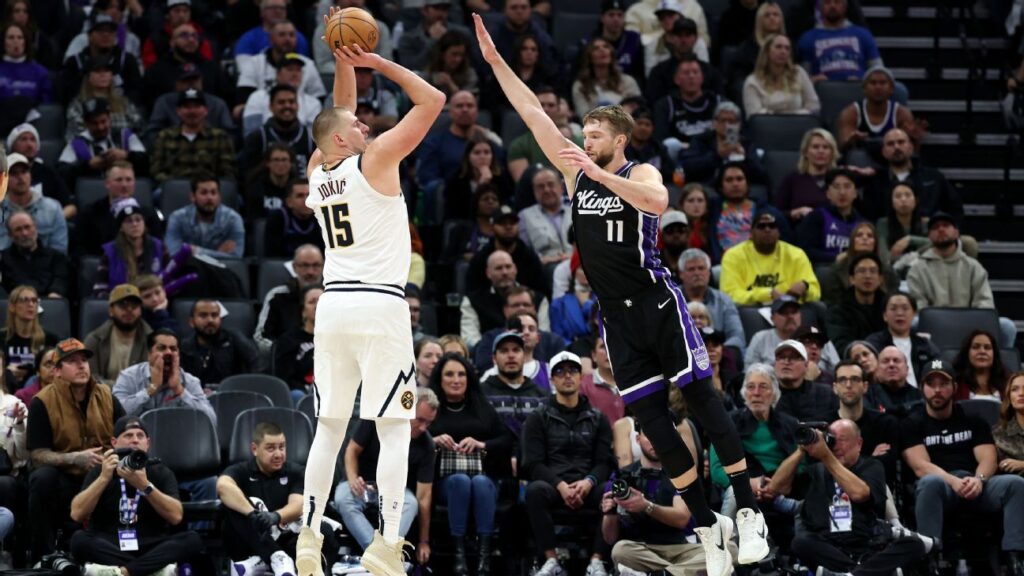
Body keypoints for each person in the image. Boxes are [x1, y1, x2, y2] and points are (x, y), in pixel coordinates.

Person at [476, 16, 771, 576]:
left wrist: (599, 173)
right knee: (655, 427)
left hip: (659, 301)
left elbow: (656, 204)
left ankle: (750, 514)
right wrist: (496, 62)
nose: (583, 142)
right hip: (616, 317)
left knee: (704, 403)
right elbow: (534, 115)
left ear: (618, 140)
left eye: (593, 136)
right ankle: (709, 529)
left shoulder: (642, 172)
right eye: (581, 135)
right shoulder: (576, 176)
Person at [295, 20, 446, 576]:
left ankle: (308, 536)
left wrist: (344, 60)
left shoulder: (318, 172)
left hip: (332, 307)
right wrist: (379, 64)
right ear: (342, 138)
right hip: (381, 307)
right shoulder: (376, 160)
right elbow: (433, 99)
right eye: (356, 125)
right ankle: (385, 543)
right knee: (393, 428)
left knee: (330, 428)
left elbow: (337, 111)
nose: (364, 124)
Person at [901, 360, 1024, 570]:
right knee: (929, 482)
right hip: (942, 487)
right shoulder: (912, 423)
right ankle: (931, 559)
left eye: (944, 383)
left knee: (1015, 483)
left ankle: (1015, 558)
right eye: (931, 384)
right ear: (922, 388)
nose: (938, 390)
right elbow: (920, 466)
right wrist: (953, 481)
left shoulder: (973, 419)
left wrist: (979, 480)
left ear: (955, 388)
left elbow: (989, 458)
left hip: (975, 484)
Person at [775, 419, 926, 575]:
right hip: (826, 547)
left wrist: (826, 457)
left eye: (843, 439)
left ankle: (850, 573)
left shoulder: (871, 466)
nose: (836, 445)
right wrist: (801, 450)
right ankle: (863, 572)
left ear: (859, 443)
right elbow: (776, 488)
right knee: (800, 543)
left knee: (915, 544)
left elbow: (860, 494)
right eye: (832, 439)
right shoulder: (815, 471)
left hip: (866, 545)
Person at [26, 338, 127, 561]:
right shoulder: (41, 402)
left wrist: (110, 459)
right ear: (57, 371)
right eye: (72, 361)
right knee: (42, 478)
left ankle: (125, 551)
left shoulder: (106, 396)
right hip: (65, 477)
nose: (82, 365)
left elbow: (123, 435)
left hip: (102, 473)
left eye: (84, 360)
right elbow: (37, 454)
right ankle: (42, 557)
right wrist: (73, 458)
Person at [68, 416, 201, 576]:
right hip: (110, 542)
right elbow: (77, 513)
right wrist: (104, 478)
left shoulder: (160, 471)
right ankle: (153, 570)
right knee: (79, 540)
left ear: (148, 443)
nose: (135, 440)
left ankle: (121, 572)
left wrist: (145, 486)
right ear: (114, 442)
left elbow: (176, 516)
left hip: (150, 542)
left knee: (192, 540)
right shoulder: (101, 471)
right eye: (128, 435)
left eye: (140, 436)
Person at [521, 351, 614, 576]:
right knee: (534, 491)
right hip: (553, 485)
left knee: (610, 493)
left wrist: (589, 482)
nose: (567, 376)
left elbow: (604, 462)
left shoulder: (598, 417)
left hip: (587, 484)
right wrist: (560, 486)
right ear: (552, 379)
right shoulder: (538, 417)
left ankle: (597, 561)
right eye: (560, 372)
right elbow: (532, 464)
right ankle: (551, 560)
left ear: (581, 377)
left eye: (572, 370)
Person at [427, 353, 513, 575]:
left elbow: (506, 440)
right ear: (439, 378)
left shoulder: (481, 405)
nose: (456, 379)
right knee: (461, 481)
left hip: (483, 477)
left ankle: (484, 557)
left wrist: (481, 443)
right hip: (444, 482)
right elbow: (411, 438)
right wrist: (432, 441)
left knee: (481, 483)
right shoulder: (429, 407)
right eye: (449, 374)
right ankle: (460, 554)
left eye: (461, 374)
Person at [218, 422, 339, 576]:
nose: (278, 454)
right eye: (270, 448)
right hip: (251, 539)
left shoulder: (295, 471)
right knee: (232, 507)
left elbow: (299, 503)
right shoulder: (241, 470)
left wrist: (275, 516)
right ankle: (275, 556)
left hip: (285, 537)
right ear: (255, 449)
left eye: (282, 447)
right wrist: (253, 515)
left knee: (323, 530)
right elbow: (223, 487)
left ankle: (263, 563)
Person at [336, 389, 437, 566]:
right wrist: (352, 477)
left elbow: (423, 497)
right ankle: (382, 555)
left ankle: (379, 555)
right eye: (420, 420)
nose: (423, 428)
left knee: (410, 503)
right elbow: (351, 450)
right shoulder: (376, 419)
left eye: (429, 423)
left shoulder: (426, 444)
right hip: (362, 482)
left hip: (393, 490)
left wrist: (424, 541)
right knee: (343, 498)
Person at [601, 421, 708, 576]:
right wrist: (609, 513)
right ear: (638, 440)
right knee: (619, 550)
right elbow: (610, 539)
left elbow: (681, 519)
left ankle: (662, 573)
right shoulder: (621, 477)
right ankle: (675, 573)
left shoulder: (682, 472)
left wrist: (646, 506)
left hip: (680, 548)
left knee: (727, 549)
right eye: (650, 436)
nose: (656, 441)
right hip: (640, 549)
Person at [907, 212, 1017, 347]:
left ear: (956, 232)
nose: (941, 229)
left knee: (1007, 327)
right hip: (934, 324)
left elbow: (984, 302)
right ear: (929, 236)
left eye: (946, 225)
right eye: (935, 227)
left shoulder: (973, 266)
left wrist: (967, 320)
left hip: (971, 324)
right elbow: (919, 306)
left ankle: (1000, 367)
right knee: (913, 323)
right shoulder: (917, 269)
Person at [708, 364, 798, 529]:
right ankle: (728, 545)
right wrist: (750, 483)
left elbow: (802, 466)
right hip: (741, 488)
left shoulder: (790, 425)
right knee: (736, 492)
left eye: (763, 387)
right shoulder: (727, 423)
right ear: (744, 394)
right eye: (751, 387)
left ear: (774, 394)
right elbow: (716, 470)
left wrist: (776, 486)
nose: (756, 393)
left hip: (780, 491)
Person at [715, 205, 817, 309]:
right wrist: (767, 295)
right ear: (751, 233)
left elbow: (815, 292)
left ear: (778, 232)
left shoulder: (796, 255)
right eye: (761, 226)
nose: (767, 230)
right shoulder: (733, 256)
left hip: (789, 309)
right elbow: (729, 296)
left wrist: (805, 290)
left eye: (772, 226)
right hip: (752, 310)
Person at [111, 328, 216, 424]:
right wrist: (151, 389)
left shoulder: (190, 381)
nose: (168, 353)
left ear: (179, 354)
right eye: (161, 348)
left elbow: (211, 420)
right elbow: (115, 415)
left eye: (173, 349)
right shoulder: (129, 377)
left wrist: (179, 390)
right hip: (138, 441)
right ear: (149, 353)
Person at [862, 128, 962, 222]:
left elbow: (954, 208)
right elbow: (869, 217)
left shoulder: (934, 177)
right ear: (883, 152)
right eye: (890, 144)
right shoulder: (875, 183)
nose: (896, 147)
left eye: (901, 142)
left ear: (911, 148)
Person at [831, 359, 900, 483]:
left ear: (865, 386)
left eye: (855, 379)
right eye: (842, 380)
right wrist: (871, 459)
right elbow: (821, 471)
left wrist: (840, 462)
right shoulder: (826, 426)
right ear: (835, 388)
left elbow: (886, 470)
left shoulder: (885, 423)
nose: (848, 385)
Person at [151, 89, 238, 184]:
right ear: (178, 111)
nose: (192, 111)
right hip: (173, 189)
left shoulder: (220, 137)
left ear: (206, 110)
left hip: (209, 189)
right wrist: (175, 184)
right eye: (187, 107)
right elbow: (156, 170)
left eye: (197, 106)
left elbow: (228, 171)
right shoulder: (165, 136)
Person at [76, 161, 163, 256]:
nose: (124, 185)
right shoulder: (90, 213)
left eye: (129, 180)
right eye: (119, 180)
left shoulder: (148, 213)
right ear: (107, 183)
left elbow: (157, 247)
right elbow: (80, 250)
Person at [93, 198, 172, 298]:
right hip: (123, 305)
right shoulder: (110, 252)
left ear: (144, 223)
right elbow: (99, 288)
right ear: (121, 227)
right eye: (128, 221)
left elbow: (171, 279)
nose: (135, 224)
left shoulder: (159, 247)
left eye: (138, 220)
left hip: (154, 303)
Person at [59, 96, 147, 184]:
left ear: (109, 118)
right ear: (86, 123)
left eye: (103, 122)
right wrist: (88, 166)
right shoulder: (77, 144)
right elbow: (62, 171)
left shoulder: (125, 136)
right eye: (94, 123)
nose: (100, 127)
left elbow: (145, 161)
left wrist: (126, 156)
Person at [835, 66, 916, 161]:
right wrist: (851, 140)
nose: (878, 87)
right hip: (861, 164)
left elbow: (908, 149)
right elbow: (842, 147)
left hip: (892, 160)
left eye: (882, 83)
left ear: (892, 88)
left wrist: (915, 138)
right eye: (873, 83)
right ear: (864, 88)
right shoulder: (851, 112)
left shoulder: (902, 113)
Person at [254, 244, 323, 353]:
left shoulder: (333, 297)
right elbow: (261, 338)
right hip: (285, 360)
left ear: (323, 267)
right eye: (305, 266)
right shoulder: (277, 295)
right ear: (294, 267)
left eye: (316, 266)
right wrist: (287, 352)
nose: (310, 272)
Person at [466, 205, 547, 296]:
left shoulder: (529, 256)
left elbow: (541, 292)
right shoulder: (481, 258)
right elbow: (473, 293)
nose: (508, 227)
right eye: (502, 223)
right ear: (492, 228)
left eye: (512, 223)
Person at [676, 248, 745, 353]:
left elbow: (736, 337)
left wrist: (717, 352)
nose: (697, 273)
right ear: (681, 274)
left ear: (709, 272)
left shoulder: (724, 300)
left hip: (718, 357)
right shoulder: (670, 300)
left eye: (701, 268)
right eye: (691, 269)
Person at [83, 284, 154, 386]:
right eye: (123, 305)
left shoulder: (151, 340)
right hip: (103, 398)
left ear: (140, 310)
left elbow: (152, 380)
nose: (129, 310)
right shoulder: (95, 340)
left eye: (134, 306)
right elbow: (89, 378)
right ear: (111, 310)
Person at [864, 292, 939, 387]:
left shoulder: (924, 344)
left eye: (905, 308)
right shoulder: (873, 343)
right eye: (893, 308)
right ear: (885, 315)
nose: (899, 313)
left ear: (914, 314)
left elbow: (939, 365)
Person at [165, 172, 246, 259]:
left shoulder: (233, 219)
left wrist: (196, 251)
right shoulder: (177, 217)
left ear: (219, 197)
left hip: (220, 271)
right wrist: (218, 254)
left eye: (213, 193)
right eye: (204, 193)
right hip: (188, 270)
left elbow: (236, 256)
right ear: (193, 197)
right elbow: (174, 252)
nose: (209, 197)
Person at [796, 0, 882, 82]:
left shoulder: (863, 35)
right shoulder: (807, 38)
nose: (832, 5)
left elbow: (879, 71)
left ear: (845, 7)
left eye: (837, 2)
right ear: (821, 7)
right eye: (827, 2)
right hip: (823, 92)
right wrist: (813, 80)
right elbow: (803, 79)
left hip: (858, 90)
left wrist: (863, 80)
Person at [819, 221, 899, 306]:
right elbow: (834, 302)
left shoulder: (887, 270)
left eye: (870, 236)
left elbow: (892, 300)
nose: (865, 238)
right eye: (859, 235)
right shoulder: (838, 269)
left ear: (875, 242)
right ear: (852, 241)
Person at [0, 153, 68, 254]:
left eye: (24, 172)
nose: (20, 177)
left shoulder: (53, 208)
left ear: (30, 175)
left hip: (45, 267)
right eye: (14, 173)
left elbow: (59, 250)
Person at [795, 168, 864, 264]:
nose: (842, 192)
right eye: (836, 187)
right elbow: (804, 251)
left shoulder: (862, 223)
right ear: (828, 193)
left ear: (855, 193)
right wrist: (835, 258)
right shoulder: (816, 217)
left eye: (847, 186)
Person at [742, 33, 819, 117]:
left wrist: (795, 117)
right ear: (767, 51)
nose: (783, 51)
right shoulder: (753, 81)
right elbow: (754, 116)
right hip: (768, 128)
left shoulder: (798, 73)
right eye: (778, 47)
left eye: (787, 48)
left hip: (798, 126)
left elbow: (814, 105)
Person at [826, 253, 888, 353]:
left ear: (880, 279)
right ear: (852, 279)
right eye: (862, 271)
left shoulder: (888, 308)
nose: (868, 276)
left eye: (873, 271)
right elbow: (840, 345)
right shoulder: (838, 310)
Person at [775, 128, 839, 224]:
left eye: (826, 147)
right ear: (805, 152)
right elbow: (775, 214)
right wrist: (794, 213)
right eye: (815, 147)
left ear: (832, 153)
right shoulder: (792, 179)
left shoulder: (839, 179)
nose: (821, 151)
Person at [0, 211, 70, 298]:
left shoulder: (56, 257)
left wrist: (54, 297)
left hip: (48, 304)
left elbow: (60, 281)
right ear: (10, 235)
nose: (24, 233)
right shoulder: (2, 259)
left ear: (36, 227)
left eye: (27, 227)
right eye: (18, 229)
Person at [0, 285, 59, 386]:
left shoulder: (50, 339)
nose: (31, 304)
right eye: (24, 300)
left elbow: (55, 370)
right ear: (12, 306)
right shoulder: (1, 337)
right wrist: (7, 372)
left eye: (34, 300)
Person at [445, 135, 515, 220]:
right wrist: (481, 187)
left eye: (487, 152)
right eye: (477, 153)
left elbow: (506, 206)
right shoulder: (456, 180)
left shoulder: (501, 177)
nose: (482, 157)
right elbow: (458, 212)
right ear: (468, 157)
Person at [273, 285, 322, 403]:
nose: (317, 306)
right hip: (303, 393)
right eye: (312, 302)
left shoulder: (342, 338)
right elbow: (284, 378)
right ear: (303, 311)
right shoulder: (289, 340)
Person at [571, 37, 642, 118]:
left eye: (606, 47)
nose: (602, 50)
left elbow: (638, 111)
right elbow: (584, 116)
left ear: (611, 54)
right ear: (589, 57)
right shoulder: (580, 86)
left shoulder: (628, 81)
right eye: (596, 48)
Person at [395, 0, 469, 73]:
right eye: (436, 8)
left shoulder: (462, 33)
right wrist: (432, 41)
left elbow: (472, 64)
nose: (441, 13)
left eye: (445, 9)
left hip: (458, 80)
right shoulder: (408, 39)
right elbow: (410, 69)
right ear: (424, 10)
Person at [517, 168, 573, 266]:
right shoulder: (524, 216)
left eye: (551, 184)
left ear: (561, 187)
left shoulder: (575, 211)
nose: (546, 190)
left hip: (576, 263)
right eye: (540, 187)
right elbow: (524, 252)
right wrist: (543, 260)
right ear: (534, 191)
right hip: (544, 267)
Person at [772, 339, 837, 422]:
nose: (786, 362)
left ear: (806, 365)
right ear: (774, 364)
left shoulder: (824, 394)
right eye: (781, 357)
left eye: (793, 357)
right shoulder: (767, 394)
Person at [265, 178, 324, 258]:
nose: (306, 200)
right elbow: (273, 256)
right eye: (300, 196)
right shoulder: (278, 218)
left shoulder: (323, 217)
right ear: (289, 202)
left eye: (309, 195)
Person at [876, 182, 929, 267]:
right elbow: (884, 257)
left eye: (908, 195)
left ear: (916, 200)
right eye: (898, 196)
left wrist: (910, 239)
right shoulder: (883, 223)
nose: (903, 199)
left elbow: (936, 244)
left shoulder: (926, 223)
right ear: (891, 202)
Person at [865, 346, 923, 417]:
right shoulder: (867, 395)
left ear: (907, 369)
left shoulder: (920, 397)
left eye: (896, 360)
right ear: (877, 370)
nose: (891, 365)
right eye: (885, 361)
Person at [952, 329, 1008, 402]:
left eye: (987, 347)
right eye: (976, 347)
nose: (982, 351)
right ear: (967, 353)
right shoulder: (955, 384)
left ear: (994, 354)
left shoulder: (1008, 383)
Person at [420, 30, 479, 99]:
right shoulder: (429, 74)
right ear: (443, 54)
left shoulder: (469, 74)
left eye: (461, 55)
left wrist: (450, 84)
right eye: (454, 54)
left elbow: (467, 102)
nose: (458, 59)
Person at [581, 336, 624, 425]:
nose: (608, 351)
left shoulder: (632, 381)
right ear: (594, 356)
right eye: (603, 347)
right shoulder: (583, 386)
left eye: (612, 345)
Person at [994, 373, 1024, 477]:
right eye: (1014, 389)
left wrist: (1022, 465)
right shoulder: (999, 433)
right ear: (1009, 396)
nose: (1021, 393)